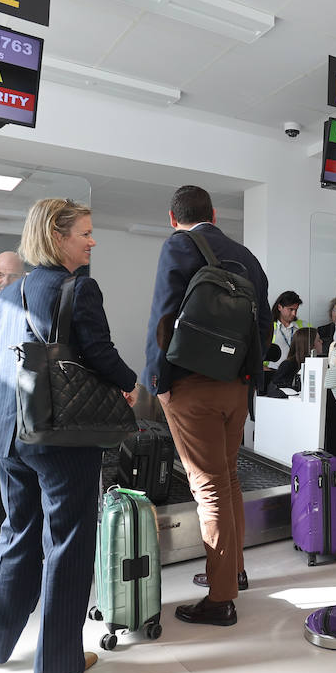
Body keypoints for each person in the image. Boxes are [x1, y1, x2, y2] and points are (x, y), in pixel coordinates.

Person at [0, 199, 138, 673]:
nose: (92, 241)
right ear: (56, 235)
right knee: (67, 541)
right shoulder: (78, 288)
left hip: (7, 428)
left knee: (17, 531)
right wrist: (130, 383)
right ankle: (57, 663)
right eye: (84, 233)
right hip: (58, 433)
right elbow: (100, 353)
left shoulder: (10, 290)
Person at [143, 185, 270, 625]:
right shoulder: (246, 255)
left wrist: (157, 381)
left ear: (172, 218)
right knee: (228, 478)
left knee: (208, 488)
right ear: (214, 214)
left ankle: (220, 599)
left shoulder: (178, 245)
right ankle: (233, 570)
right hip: (236, 386)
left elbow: (163, 315)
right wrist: (248, 376)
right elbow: (264, 325)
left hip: (191, 385)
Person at [263, 326, 321, 398]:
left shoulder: (317, 364)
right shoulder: (288, 365)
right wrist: (297, 391)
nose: (321, 342)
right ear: (310, 345)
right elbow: (274, 389)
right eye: (318, 340)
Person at [266, 290, 309, 371]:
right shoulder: (268, 327)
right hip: (273, 371)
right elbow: (258, 352)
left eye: (296, 310)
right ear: (279, 307)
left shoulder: (305, 326)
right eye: (291, 309)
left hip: (298, 372)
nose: (294, 313)